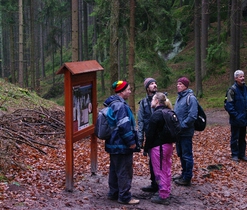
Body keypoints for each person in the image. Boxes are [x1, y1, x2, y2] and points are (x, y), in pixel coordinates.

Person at [104, 80, 140, 205]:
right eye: (128, 89)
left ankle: (113, 193)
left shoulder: (112, 104)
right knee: (124, 170)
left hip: (113, 143)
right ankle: (125, 197)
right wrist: (131, 141)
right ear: (122, 91)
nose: (130, 92)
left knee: (115, 169)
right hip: (121, 144)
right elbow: (124, 125)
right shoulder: (120, 106)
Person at [144, 92, 174, 205]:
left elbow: (150, 134)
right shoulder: (169, 112)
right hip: (168, 146)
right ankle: (166, 190)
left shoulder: (157, 114)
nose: (151, 102)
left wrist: (146, 148)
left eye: (153, 100)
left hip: (158, 147)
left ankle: (163, 195)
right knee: (166, 169)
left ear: (157, 101)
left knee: (160, 170)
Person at [173, 77, 198, 186]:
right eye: (178, 84)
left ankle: (187, 177)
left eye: (181, 84)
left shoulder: (190, 98)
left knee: (187, 155)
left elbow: (192, 116)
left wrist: (182, 126)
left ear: (186, 86)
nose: (178, 86)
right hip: (178, 132)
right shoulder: (179, 98)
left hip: (186, 132)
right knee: (181, 154)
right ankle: (183, 174)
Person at [137, 78, 159, 192]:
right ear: (147, 88)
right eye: (151, 84)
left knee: (161, 161)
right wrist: (140, 139)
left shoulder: (162, 99)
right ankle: (154, 184)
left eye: (155, 83)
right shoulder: (144, 103)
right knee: (152, 161)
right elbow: (140, 121)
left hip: (161, 137)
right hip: (150, 136)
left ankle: (162, 186)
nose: (154, 85)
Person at [225, 70, 247, 162]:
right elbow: (228, 105)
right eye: (240, 77)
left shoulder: (246, 89)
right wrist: (236, 116)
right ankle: (234, 154)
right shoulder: (232, 90)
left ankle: (242, 154)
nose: (242, 78)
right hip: (236, 119)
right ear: (236, 78)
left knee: (242, 138)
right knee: (235, 137)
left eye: (243, 76)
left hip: (244, 118)